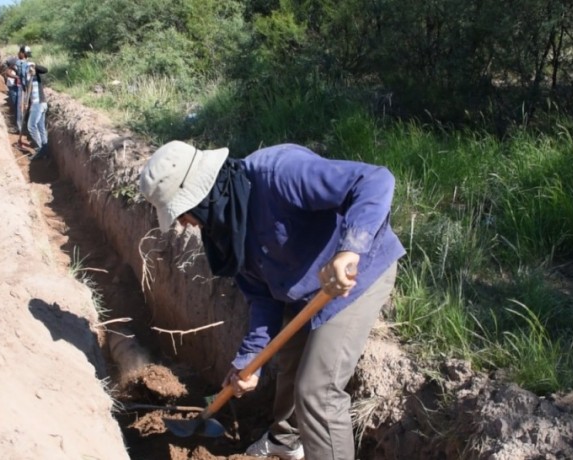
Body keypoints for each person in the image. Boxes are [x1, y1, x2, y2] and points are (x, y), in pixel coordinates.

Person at [138, 141, 405, 459]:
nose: (182, 223)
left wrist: (350, 250)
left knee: (316, 391)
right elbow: (262, 298)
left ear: (201, 195)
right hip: (301, 285)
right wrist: (249, 361)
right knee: (290, 361)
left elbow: (374, 180)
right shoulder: (226, 229)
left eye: (181, 212)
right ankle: (286, 440)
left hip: (356, 275)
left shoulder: (279, 174)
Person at [26, 62, 50, 161]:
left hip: (39, 104)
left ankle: (41, 149)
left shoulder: (35, 73)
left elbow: (45, 70)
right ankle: (45, 149)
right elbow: (28, 92)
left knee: (31, 126)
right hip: (38, 104)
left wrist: (34, 66)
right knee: (41, 128)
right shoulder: (28, 77)